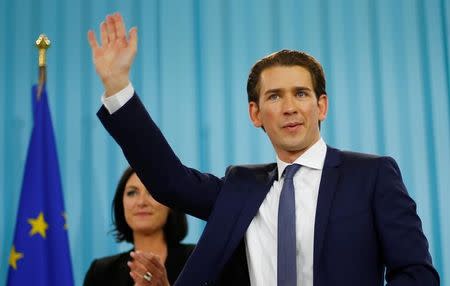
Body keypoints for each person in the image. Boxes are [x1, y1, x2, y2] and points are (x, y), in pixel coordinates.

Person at [88, 13, 440, 286]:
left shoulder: (372, 176)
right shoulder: (241, 186)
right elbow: (168, 180)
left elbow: (416, 273)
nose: (289, 107)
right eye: (275, 96)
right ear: (255, 113)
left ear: (322, 106)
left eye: (301, 93)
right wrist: (118, 88)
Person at [83, 167, 194, 286]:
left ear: (170, 205)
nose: (141, 202)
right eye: (132, 192)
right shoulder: (100, 272)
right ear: (121, 205)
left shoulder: (198, 260)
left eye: (152, 192)